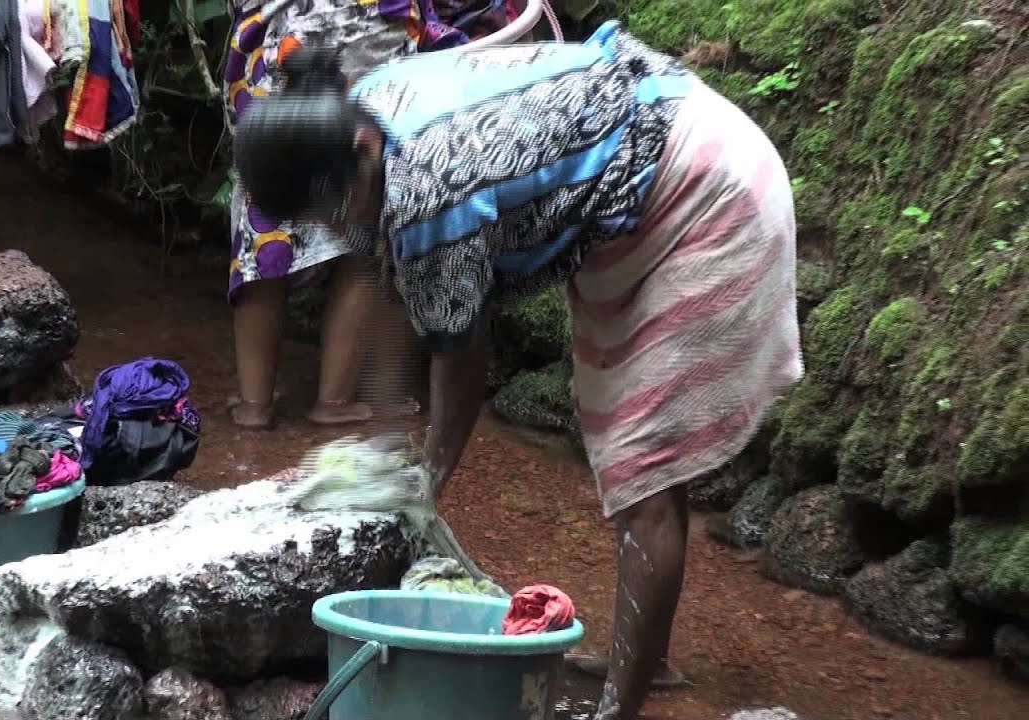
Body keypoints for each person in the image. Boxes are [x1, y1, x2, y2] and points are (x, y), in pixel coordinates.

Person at [231, 20, 803, 720]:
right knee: (621, 435)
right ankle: (645, 659)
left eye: (329, 209)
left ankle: (621, 707)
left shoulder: (429, 193)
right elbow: (390, 294)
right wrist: (383, 452)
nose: (329, 226)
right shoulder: (365, 111)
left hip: (702, 188)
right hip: (647, 149)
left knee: (642, 464)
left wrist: (422, 485)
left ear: (359, 153)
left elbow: (460, 368)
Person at [222, 0, 509, 428]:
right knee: (366, 226)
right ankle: (334, 400)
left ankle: (254, 403)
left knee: (263, 220)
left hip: (277, 27)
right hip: (363, 24)